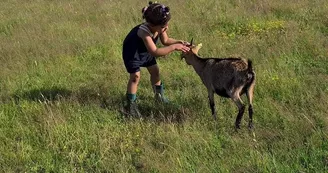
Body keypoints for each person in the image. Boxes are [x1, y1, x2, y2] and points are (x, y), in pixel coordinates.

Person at [122, 1, 190, 117]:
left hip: (146, 51)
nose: (166, 27)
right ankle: (130, 105)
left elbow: (166, 41)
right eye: (164, 26)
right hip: (133, 53)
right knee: (135, 77)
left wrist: (179, 42)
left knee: (155, 71)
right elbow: (155, 52)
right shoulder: (144, 32)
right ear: (153, 25)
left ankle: (159, 96)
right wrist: (173, 48)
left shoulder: (160, 27)